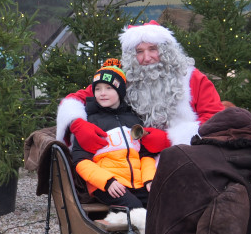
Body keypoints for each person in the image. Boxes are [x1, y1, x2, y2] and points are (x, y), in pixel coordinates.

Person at [57, 21, 223, 151]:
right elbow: (78, 98)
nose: (147, 57)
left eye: (153, 49)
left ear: (166, 51)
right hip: (134, 155)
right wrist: (77, 124)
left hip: (184, 151)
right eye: (139, 51)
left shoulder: (192, 77)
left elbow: (215, 119)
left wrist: (170, 139)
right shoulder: (122, 77)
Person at [69, 60, 156, 232]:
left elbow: (145, 154)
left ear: (120, 90)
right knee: (135, 207)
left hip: (137, 180)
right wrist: (107, 181)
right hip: (108, 183)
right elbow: (80, 160)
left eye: (109, 88)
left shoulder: (133, 119)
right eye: (98, 88)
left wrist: (149, 178)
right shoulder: (90, 120)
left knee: (159, 203)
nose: (102, 93)